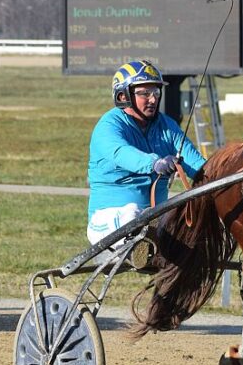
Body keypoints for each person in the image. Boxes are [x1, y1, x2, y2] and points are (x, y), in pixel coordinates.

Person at [87, 59, 206, 247]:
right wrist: (155, 163)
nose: (153, 99)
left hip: (154, 218)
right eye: (145, 93)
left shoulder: (167, 126)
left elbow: (200, 167)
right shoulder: (108, 126)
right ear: (123, 96)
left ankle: (152, 243)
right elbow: (122, 153)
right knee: (132, 213)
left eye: (156, 92)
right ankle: (144, 243)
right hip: (107, 221)